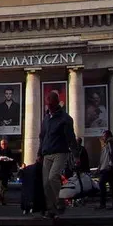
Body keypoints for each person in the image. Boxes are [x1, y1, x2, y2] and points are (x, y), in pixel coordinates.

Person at [38, 90, 77, 219]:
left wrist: (76, 155)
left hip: (60, 152)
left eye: (50, 104)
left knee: (53, 177)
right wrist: (39, 153)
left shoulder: (65, 119)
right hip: (47, 153)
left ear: (56, 103)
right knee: (46, 184)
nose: (48, 107)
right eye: (47, 104)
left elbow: (71, 138)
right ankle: (51, 210)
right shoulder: (46, 119)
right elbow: (42, 137)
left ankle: (60, 202)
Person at [96, 130, 113, 210]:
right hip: (106, 167)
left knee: (101, 184)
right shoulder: (106, 144)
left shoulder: (110, 142)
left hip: (107, 168)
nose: (103, 137)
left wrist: (110, 164)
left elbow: (112, 154)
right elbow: (103, 157)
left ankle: (103, 204)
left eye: (104, 135)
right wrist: (99, 167)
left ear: (108, 135)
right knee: (112, 186)